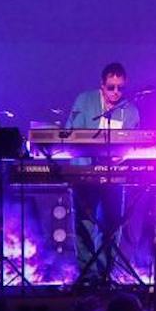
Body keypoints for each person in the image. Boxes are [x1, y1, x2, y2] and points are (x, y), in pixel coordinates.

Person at [65, 62, 141, 284]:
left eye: (120, 88)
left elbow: (134, 143)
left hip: (114, 175)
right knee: (85, 222)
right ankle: (88, 274)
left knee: (112, 224)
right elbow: (73, 135)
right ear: (102, 85)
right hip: (85, 171)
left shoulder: (131, 109)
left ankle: (106, 272)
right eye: (111, 87)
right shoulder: (84, 100)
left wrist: (123, 154)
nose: (116, 92)